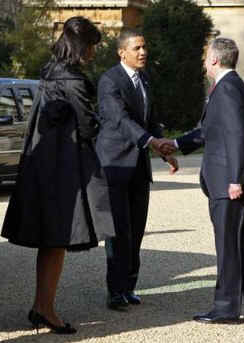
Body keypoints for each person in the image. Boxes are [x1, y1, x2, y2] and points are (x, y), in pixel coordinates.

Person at [1, 16, 115, 334]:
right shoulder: (73, 81)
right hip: (62, 172)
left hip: (42, 168)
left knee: (50, 242)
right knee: (55, 242)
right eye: (91, 46)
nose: (93, 53)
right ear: (81, 46)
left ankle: (43, 306)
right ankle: (45, 308)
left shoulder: (50, 73)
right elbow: (87, 127)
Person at [159, 38, 244, 323]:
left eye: (206, 56)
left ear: (214, 60)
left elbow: (235, 136)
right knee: (237, 238)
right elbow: (208, 131)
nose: (204, 61)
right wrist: (174, 142)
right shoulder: (231, 87)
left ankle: (226, 308)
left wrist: (234, 179)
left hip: (229, 181)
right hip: (230, 178)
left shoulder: (228, 89)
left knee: (227, 244)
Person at [95, 28, 178, 311]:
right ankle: (115, 291)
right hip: (115, 164)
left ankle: (129, 286)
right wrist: (151, 141)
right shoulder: (109, 80)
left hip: (139, 166)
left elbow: (150, 118)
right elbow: (119, 119)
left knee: (137, 228)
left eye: (144, 47)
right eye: (137, 48)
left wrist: (164, 150)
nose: (143, 52)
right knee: (119, 231)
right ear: (122, 52)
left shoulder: (144, 78)